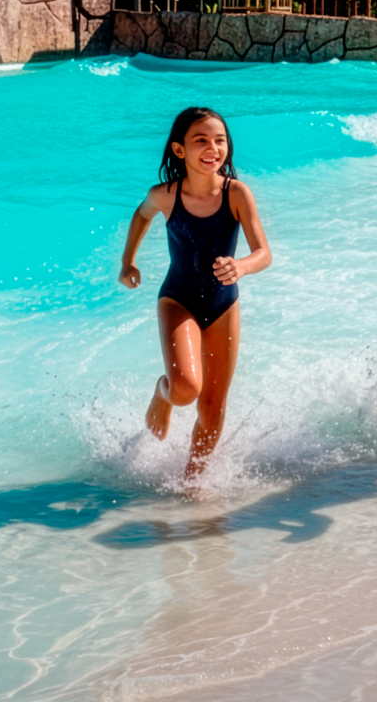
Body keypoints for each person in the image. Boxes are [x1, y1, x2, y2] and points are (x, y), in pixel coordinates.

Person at [119, 106, 272, 478]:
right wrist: (128, 262)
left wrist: (242, 266)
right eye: (200, 140)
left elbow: (264, 253)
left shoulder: (236, 193)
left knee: (212, 407)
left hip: (223, 305)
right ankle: (163, 393)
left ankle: (192, 483)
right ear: (179, 150)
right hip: (178, 299)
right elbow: (141, 215)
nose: (212, 148)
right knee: (186, 389)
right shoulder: (165, 195)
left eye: (220, 140)